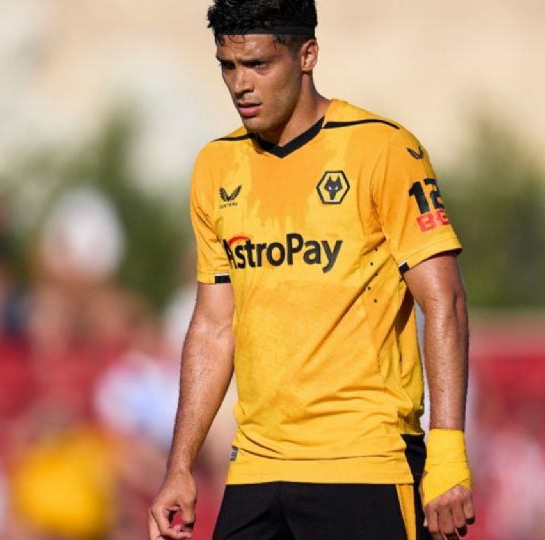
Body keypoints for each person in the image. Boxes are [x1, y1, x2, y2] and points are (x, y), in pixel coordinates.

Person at [150, 1, 475, 539]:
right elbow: (213, 325)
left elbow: (446, 301)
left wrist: (447, 453)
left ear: (307, 55)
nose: (240, 85)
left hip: (365, 462)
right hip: (256, 466)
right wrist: (179, 465)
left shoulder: (382, 149)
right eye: (228, 66)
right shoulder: (216, 166)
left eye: (258, 64)